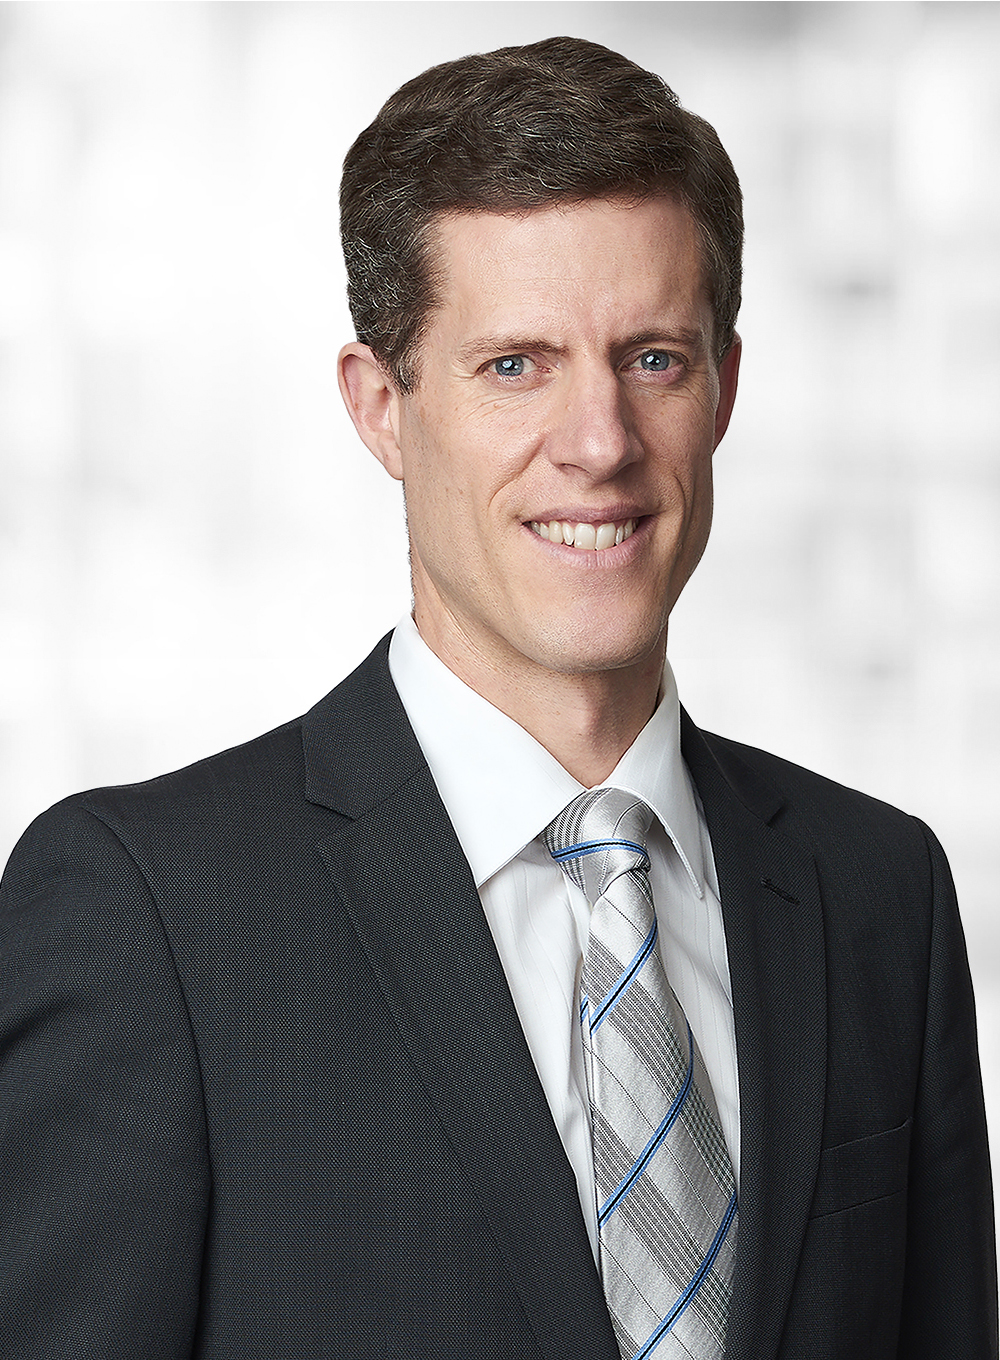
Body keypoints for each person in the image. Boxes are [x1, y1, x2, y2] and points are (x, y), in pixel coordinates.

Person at [0, 34, 995, 1360]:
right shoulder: (151, 916)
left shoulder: (880, 895)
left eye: (653, 358)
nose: (599, 443)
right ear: (381, 407)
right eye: (516, 364)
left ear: (725, 388)